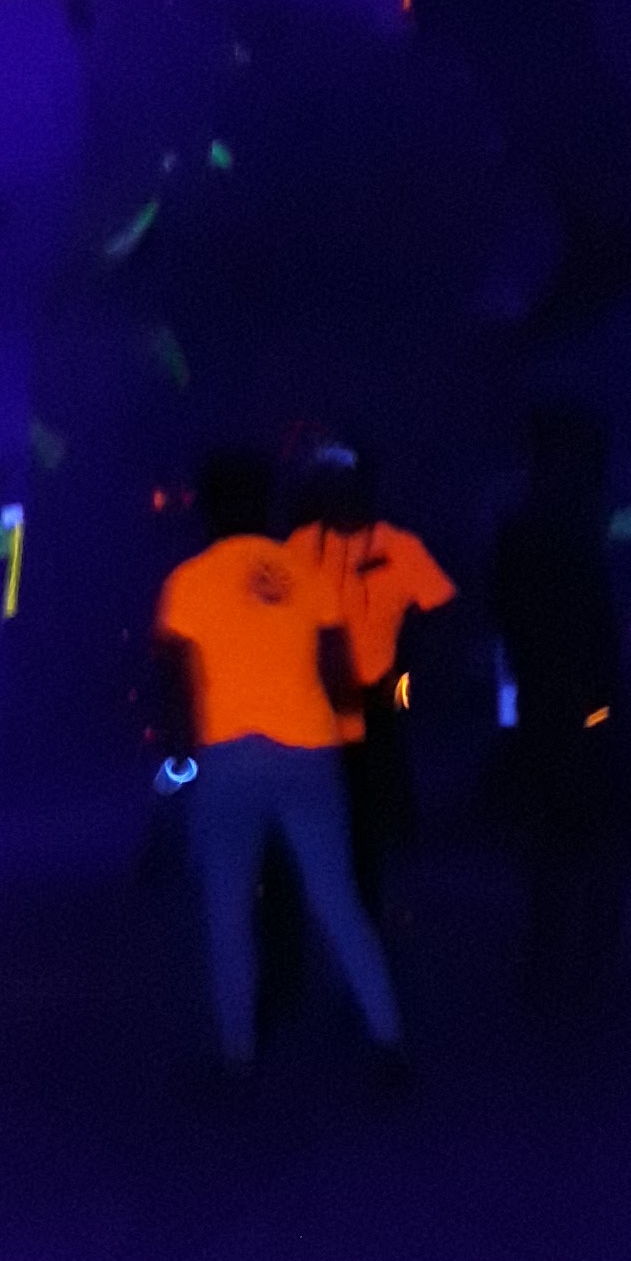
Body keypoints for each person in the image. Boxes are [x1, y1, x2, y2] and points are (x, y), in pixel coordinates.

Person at [153, 450, 406, 1081]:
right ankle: (388, 1038)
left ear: (207, 510)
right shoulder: (305, 573)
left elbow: (177, 681)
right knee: (337, 899)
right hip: (310, 751)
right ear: (265, 505)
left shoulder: (189, 580)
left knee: (229, 908)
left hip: (230, 755)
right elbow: (340, 670)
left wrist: (183, 758)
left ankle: (238, 1055)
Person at [490, 401, 631, 999]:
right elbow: (577, 632)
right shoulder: (560, 535)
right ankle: (577, 962)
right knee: (590, 832)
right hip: (572, 706)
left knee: (563, 838)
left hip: (555, 704)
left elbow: (518, 625)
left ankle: (555, 961)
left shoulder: (531, 532)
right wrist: (592, 708)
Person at [288, 440, 456, 920]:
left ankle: (370, 910)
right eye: (334, 486)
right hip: (314, 705)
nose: (344, 495)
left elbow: (441, 609)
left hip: (376, 703)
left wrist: (408, 671)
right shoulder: (300, 547)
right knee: (319, 817)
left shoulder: (398, 546)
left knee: (372, 820)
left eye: (353, 485)